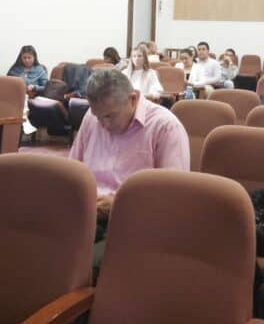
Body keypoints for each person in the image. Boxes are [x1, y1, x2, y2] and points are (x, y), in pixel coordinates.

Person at [70, 69, 189, 252]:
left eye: (110, 116)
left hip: (136, 222)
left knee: (77, 258)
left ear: (132, 99)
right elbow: (72, 170)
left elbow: (173, 198)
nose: (104, 125)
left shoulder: (165, 127)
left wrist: (119, 204)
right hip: (87, 213)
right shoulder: (92, 118)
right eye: (98, 116)